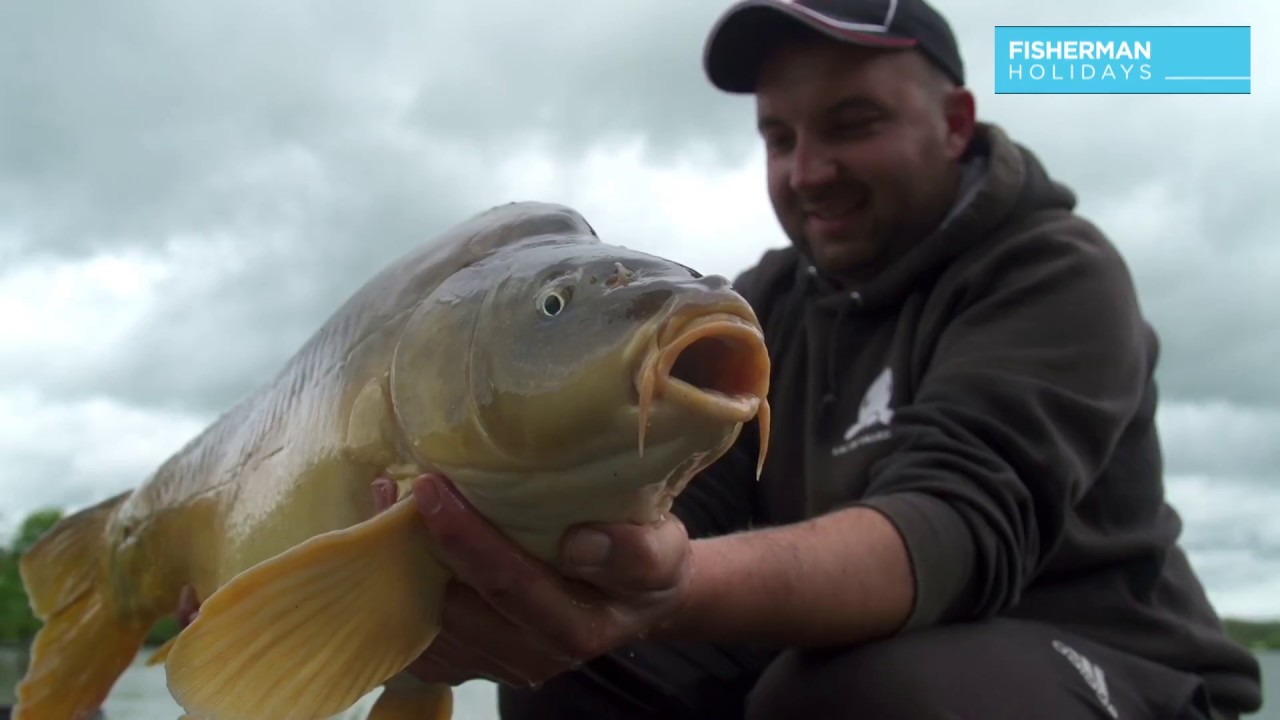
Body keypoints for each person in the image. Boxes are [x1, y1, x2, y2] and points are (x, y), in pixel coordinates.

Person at [370, 1, 1264, 718]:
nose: (808, 171)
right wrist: (506, 567)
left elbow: (950, 530)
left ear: (955, 123)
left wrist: (660, 586)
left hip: (1109, 667)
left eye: (852, 123)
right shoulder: (759, 307)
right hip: (837, 655)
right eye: (779, 137)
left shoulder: (1057, 270)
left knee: (860, 695)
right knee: (574, 670)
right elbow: (681, 508)